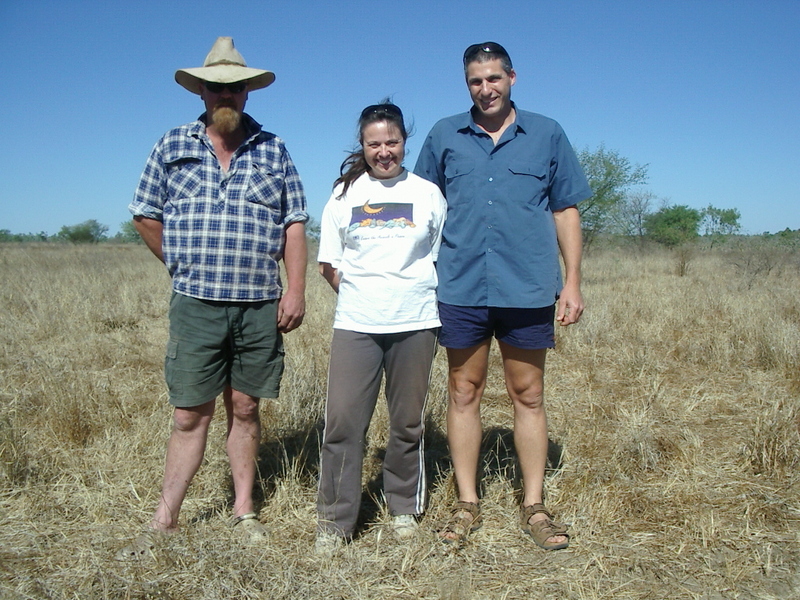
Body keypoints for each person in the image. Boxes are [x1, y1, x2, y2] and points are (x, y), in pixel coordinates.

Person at [118, 37, 308, 558]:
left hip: (257, 305)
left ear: (248, 92)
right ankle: (166, 519)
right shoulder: (172, 144)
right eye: (216, 86)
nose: (226, 94)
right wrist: (178, 262)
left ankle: (244, 510)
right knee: (189, 414)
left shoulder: (274, 149)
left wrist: (295, 289)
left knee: (245, 408)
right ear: (201, 91)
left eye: (235, 86)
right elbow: (143, 212)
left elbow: (294, 224)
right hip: (196, 302)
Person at [414, 42, 591, 550]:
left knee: (528, 395)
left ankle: (534, 505)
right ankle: (468, 501)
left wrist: (572, 281)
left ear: (512, 77)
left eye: (494, 78)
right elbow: (421, 203)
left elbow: (565, 210)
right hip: (461, 285)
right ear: (466, 83)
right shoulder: (445, 134)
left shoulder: (547, 133)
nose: (485, 89)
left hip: (527, 287)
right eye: (475, 81)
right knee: (463, 392)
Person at [315, 102, 446, 554]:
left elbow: (438, 256)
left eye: (392, 142)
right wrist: (363, 298)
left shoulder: (427, 192)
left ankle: (403, 508)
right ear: (363, 146)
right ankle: (335, 521)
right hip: (356, 323)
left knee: (407, 423)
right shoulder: (343, 194)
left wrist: (402, 295)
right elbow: (328, 264)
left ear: (404, 142)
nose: (384, 151)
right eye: (375, 144)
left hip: (416, 322)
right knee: (343, 423)